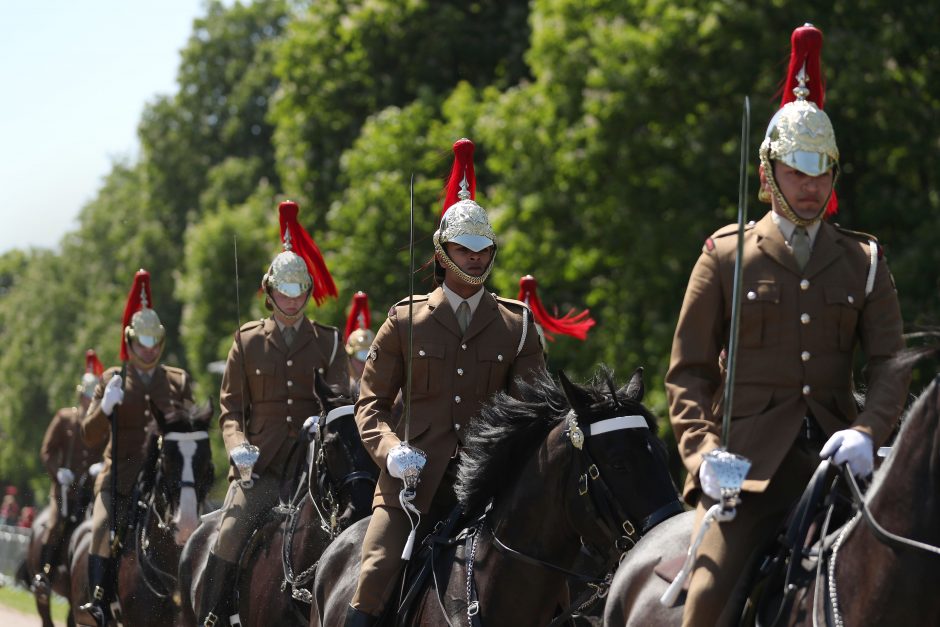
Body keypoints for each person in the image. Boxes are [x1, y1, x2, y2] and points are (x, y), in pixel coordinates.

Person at [665, 24, 910, 626]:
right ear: (770, 172)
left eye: (822, 171)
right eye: (798, 171)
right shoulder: (725, 257)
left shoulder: (864, 260)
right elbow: (688, 373)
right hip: (745, 475)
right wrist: (704, 457)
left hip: (840, 469)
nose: (811, 185)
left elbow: (890, 366)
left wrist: (869, 432)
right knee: (705, 605)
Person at [345, 138, 546, 626]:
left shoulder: (516, 325)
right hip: (413, 486)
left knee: (555, 582)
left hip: (486, 488)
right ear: (442, 252)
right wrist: (391, 449)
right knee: (373, 575)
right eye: (464, 249)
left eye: (483, 250)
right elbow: (370, 405)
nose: (475, 259)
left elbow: (534, 413)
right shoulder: (403, 321)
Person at [199, 200, 350, 627]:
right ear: (269, 292)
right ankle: (212, 614)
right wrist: (238, 448)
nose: (292, 299)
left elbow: (339, 406)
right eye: (283, 291)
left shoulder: (329, 342)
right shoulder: (247, 342)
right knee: (229, 532)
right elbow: (230, 409)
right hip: (261, 470)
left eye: (299, 290)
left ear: (308, 291)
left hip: (312, 469)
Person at [80, 269, 195, 626]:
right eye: (142, 342)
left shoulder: (176, 381)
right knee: (100, 529)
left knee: (197, 526)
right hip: (122, 479)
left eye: (154, 341)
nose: (149, 349)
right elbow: (89, 435)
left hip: (166, 483)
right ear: (130, 341)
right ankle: (98, 602)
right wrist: (104, 408)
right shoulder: (112, 379)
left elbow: (189, 431)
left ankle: (197, 600)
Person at [33, 350, 108, 594]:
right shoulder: (65, 418)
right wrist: (58, 472)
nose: (89, 402)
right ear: (81, 396)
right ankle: (44, 572)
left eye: (92, 397)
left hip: (91, 488)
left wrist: (101, 467)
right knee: (55, 524)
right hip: (65, 490)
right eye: (86, 397)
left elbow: (109, 448)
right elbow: (47, 451)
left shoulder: (102, 424)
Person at [344, 291, 376, 399]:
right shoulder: (341, 387)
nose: (364, 363)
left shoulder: (383, 387)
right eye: (360, 357)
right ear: (350, 357)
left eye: (368, 358)